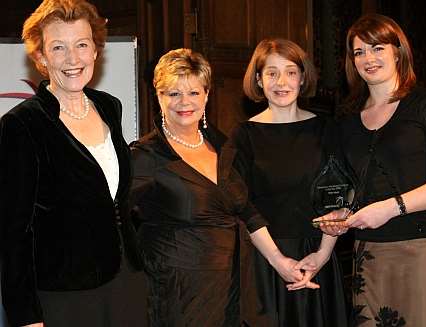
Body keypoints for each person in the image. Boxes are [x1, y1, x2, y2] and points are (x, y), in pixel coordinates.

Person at [129, 48, 317, 327]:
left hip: (235, 287)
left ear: (207, 95)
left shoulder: (222, 145)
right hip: (179, 295)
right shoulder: (144, 156)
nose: (184, 102)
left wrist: (280, 262)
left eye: (194, 93)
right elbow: (117, 221)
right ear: (158, 96)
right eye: (173, 93)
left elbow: (246, 210)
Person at [0, 1, 147, 326]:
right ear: (40, 56)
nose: (73, 58)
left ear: (96, 50)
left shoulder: (110, 107)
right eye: (58, 47)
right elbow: (13, 232)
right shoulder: (22, 125)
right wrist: (25, 316)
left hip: (127, 281)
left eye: (82, 44)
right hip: (65, 294)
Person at [314, 13, 426, 326]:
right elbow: (349, 188)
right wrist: (339, 217)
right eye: (359, 52)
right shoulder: (347, 119)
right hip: (369, 253)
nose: (368, 58)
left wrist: (392, 208)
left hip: (424, 250)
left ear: (397, 51)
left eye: (377, 48)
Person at [230, 38, 349, 326]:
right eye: (271, 73)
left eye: (291, 72)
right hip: (265, 261)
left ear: (303, 77)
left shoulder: (326, 129)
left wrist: (321, 255)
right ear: (258, 80)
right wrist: (277, 260)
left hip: (317, 257)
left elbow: (339, 197)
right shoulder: (243, 136)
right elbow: (241, 205)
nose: (281, 82)